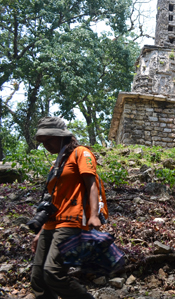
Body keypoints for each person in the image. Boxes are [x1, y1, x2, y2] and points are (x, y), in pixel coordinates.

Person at [30, 117, 100, 299]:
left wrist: (94, 215)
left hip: (72, 221)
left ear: (62, 137)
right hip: (51, 224)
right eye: (43, 142)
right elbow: (54, 200)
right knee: (38, 277)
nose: (46, 145)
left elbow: (92, 183)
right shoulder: (57, 164)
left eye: (50, 139)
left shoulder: (81, 153)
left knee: (53, 273)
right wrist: (40, 232)